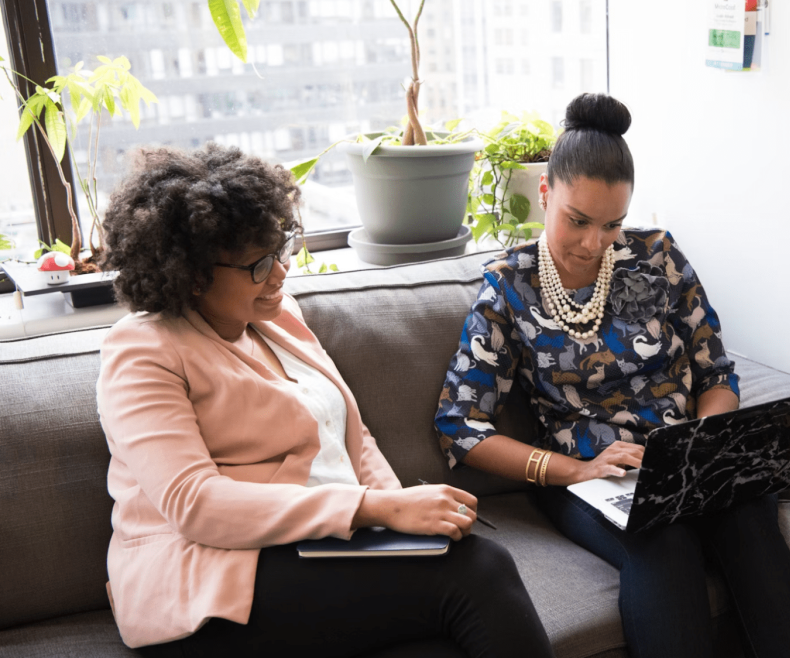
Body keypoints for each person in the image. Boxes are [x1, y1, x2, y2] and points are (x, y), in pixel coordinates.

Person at [97, 143, 554, 658]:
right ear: (194, 273)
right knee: (481, 572)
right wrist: (376, 507)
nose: (280, 272)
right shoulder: (142, 349)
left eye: (282, 248)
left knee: (453, 580)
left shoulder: (278, 316)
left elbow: (355, 442)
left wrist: (401, 514)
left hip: (311, 545)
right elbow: (195, 504)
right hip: (207, 573)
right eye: (258, 263)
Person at [435, 93, 790, 658]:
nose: (595, 243)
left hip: (685, 460)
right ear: (545, 194)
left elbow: (717, 372)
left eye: (612, 224)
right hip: (587, 477)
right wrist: (577, 468)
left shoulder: (658, 257)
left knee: (748, 519)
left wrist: (705, 440)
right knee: (660, 538)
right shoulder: (507, 287)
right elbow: (459, 425)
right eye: (578, 221)